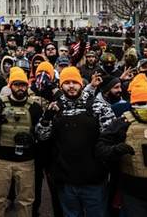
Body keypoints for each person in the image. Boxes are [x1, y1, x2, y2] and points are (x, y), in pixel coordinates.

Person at [36, 66, 114, 217]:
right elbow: (41, 136)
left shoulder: (99, 107)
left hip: (94, 181)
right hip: (66, 181)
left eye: (74, 82)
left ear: (81, 84)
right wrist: (46, 118)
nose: (71, 86)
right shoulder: (54, 107)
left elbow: (110, 138)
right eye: (67, 82)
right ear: (61, 85)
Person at [96, 75, 147, 217]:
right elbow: (101, 149)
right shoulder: (122, 124)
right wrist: (115, 151)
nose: (146, 107)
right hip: (135, 196)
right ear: (132, 105)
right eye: (141, 103)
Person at [0, 67, 43, 217]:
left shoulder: (35, 107)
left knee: (26, 200)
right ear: (10, 86)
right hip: (2, 160)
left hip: (26, 161)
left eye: (23, 84)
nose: (20, 88)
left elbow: (44, 133)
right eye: (16, 84)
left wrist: (33, 138)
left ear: (27, 86)